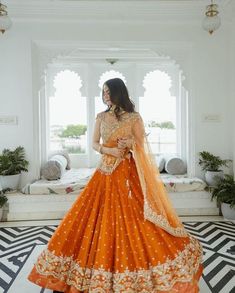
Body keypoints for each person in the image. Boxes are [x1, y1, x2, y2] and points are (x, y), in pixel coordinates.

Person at [28, 78, 203, 292]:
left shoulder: (134, 118)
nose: (105, 95)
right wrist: (108, 150)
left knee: (133, 217)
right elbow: (93, 144)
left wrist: (130, 145)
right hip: (104, 173)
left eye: (109, 91)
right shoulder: (101, 117)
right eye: (103, 92)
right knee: (91, 217)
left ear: (119, 92)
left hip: (128, 175)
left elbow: (141, 146)